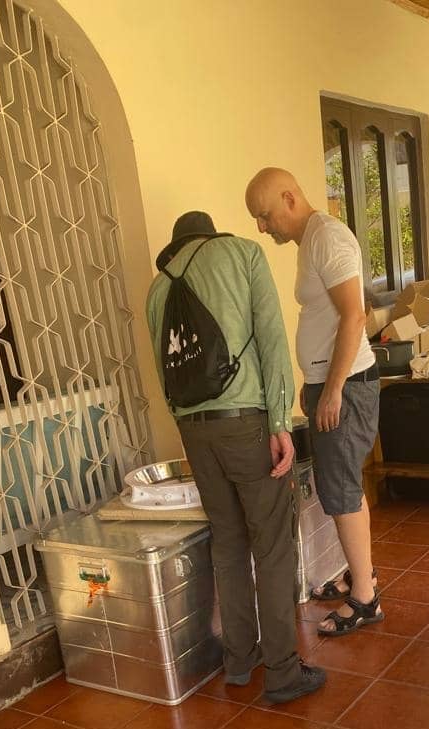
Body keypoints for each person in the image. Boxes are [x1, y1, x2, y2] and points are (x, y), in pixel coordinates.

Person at [146, 210, 325, 704]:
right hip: (246, 423)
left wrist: (188, 428)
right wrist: (279, 423)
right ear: (210, 234)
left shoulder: (158, 288)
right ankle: (283, 671)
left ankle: (240, 660)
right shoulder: (243, 254)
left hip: (194, 430)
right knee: (272, 545)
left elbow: (164, 375)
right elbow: (270, 340)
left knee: (227, 543)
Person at [245, 168, 383, 637]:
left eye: (265, 215)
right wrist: (319, 383)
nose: (262, 227)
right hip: (331, 382)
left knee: (340, 490)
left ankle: (365, 598)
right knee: (340, 487)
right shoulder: (311, 241)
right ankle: (361, 574)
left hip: (346, 384)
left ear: (289, 198)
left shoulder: (327, 237)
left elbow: (355, 315)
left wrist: (334, 387)